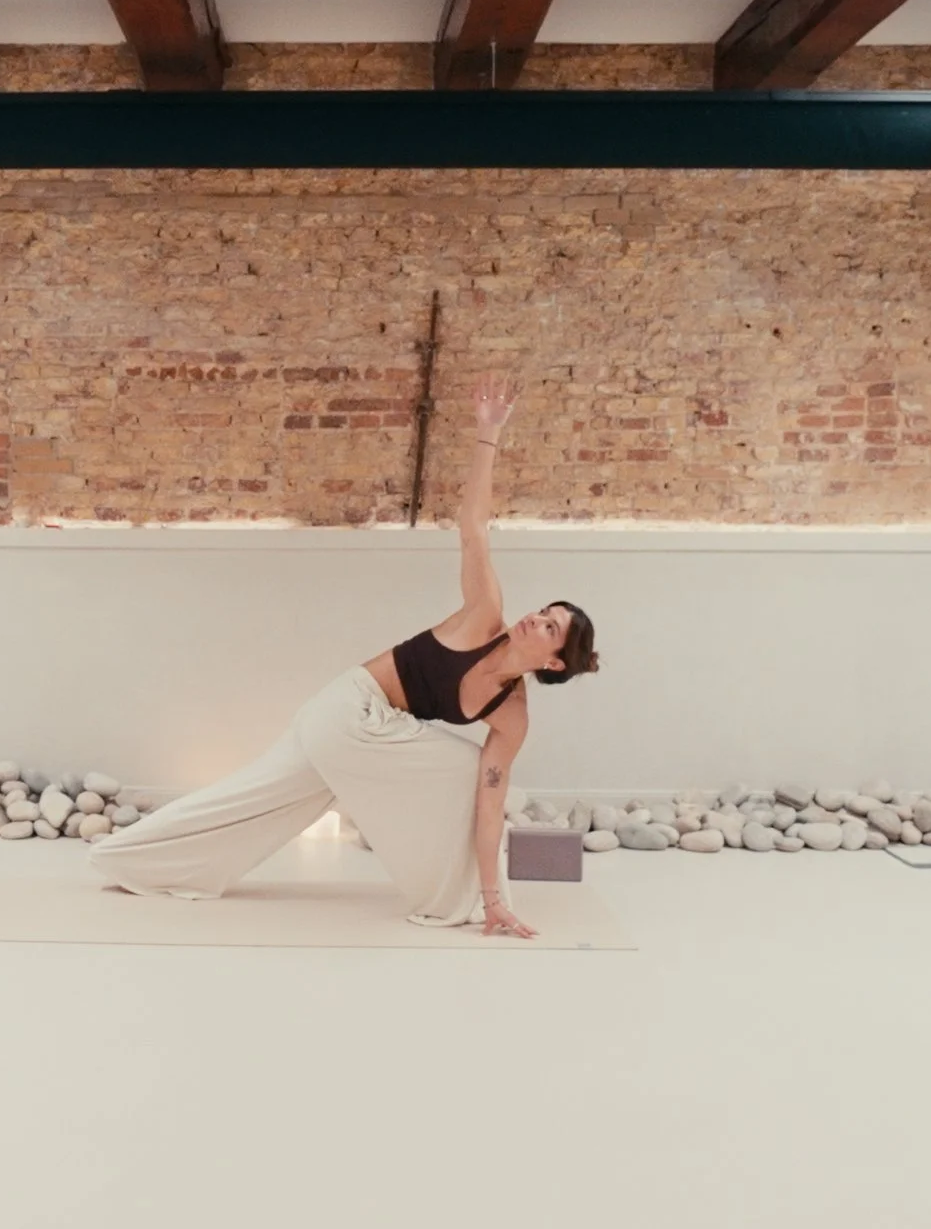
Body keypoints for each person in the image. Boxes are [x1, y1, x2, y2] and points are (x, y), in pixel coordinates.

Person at [89, 373, 600, 938]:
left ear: (554, 662)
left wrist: (492, 894)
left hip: (363, 739)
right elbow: (473, 528)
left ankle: (126, 858)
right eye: (544, 610)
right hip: (347, 713)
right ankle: (451, 898)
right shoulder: (486, 615)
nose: (535, 617)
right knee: (463, 768)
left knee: (251, 802)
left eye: (550, 626)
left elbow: (490, 806)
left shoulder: (512, 717)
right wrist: (489, 433)